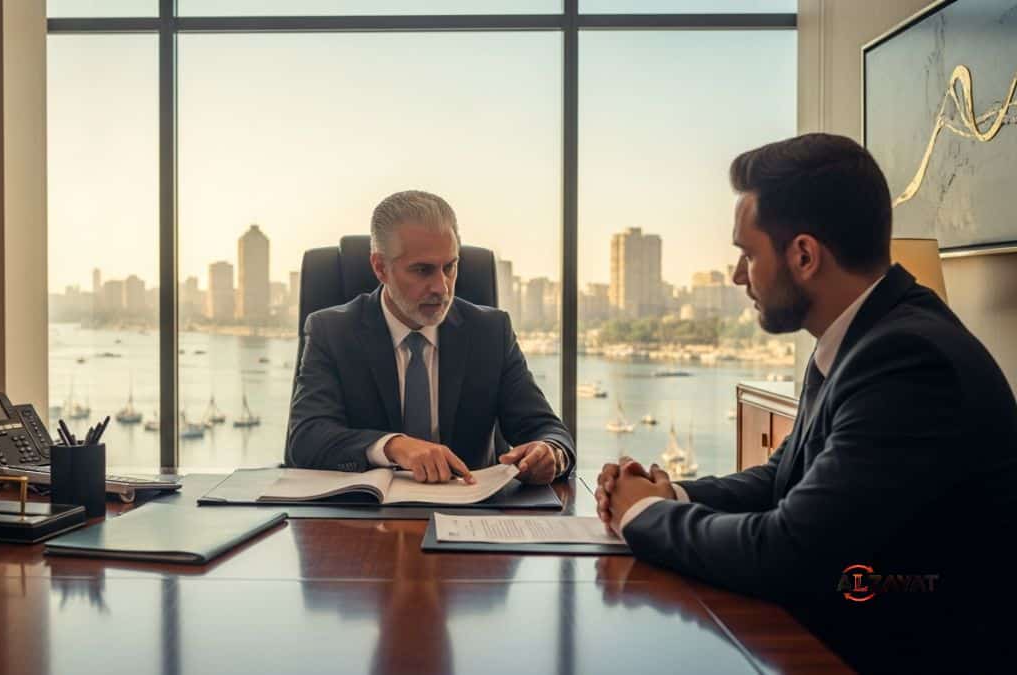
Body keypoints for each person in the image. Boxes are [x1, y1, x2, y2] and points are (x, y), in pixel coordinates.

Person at [594, 133, 1017, 673]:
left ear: (804, 255)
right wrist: (670, 491)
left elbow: (789, 552)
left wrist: (643, 514)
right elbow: (782, 479)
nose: (738, 276)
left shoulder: (908, 362)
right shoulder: (862, 336)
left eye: (747, 254)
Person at [287, 190, 574, 484]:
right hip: (365, 517)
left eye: (449, 267)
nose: (442, 287)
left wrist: (551, 453)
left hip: (470, 514)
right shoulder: (332, 332)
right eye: (423, 270)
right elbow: (305, 441)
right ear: (380, 267)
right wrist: (393, 446)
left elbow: (547, 430)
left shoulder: (491, 332)